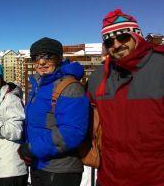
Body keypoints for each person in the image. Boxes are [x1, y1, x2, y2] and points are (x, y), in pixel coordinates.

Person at [87, 9, 164, 186]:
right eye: (109, 41)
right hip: (110, 178)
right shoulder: (99, 77)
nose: (116, 45)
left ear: (137, 36)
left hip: (155, 178)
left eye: (122, 37)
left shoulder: (160, 66)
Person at [18, 37, 89, 186]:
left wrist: (32, 149)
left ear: (59, 58)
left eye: (48, 56)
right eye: (36, 57)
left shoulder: (69, 87)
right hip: (40, 165)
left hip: (60, 170)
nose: (41, 62)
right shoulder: (40, 86)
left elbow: (72, 131)